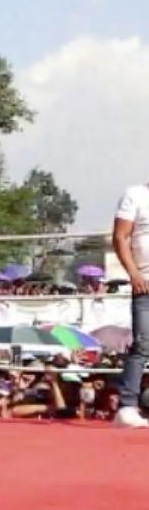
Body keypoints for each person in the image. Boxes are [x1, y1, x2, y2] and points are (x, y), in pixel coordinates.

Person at [112, 182, 149, 427]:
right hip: (145, 282)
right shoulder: (135, 195)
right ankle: (126, 406)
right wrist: (134, 273)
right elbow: (120, 236)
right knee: (143, 344)